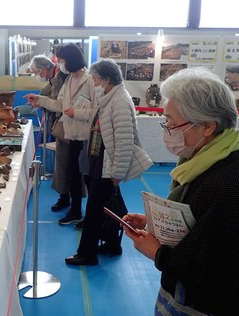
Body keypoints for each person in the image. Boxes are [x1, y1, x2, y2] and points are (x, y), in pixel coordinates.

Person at [123, 67, 239, 316]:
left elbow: (215, 270)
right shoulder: (208, 159)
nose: (167, 130)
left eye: (172, 123)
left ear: (208, 126)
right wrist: (157, 224)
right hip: (191, 301)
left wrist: (158, 252)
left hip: (209, 315)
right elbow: (200, 226)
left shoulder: (226, 182)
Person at [65, 59, 152, 266]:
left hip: (108, 166)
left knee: (95, 210)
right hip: (102, 163)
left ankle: (87, 253)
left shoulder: (120, 101)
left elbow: (124, 141)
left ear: (106, 79)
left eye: (95, 79)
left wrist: (117, 172)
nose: (94, 83)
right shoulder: (111, 97)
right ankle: (112, 243)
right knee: (108, 206)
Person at [25, 43, 96, 225]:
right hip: (70, 135)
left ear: (70, 60)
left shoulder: (90, 81)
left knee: (84, 177)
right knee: (72, 173)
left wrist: (76, 113)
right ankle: (75, 210)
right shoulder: (69, 80)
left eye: (61, 60)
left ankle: (83, 213)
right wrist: (39, 99)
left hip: (85, 138)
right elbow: (59, 105)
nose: (59, 63)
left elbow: (96, 111)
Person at [28, 54, 76, 212]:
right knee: (63, 165)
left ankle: (70, 203)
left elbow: (58, 104)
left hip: (67, 127)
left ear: (44, 69)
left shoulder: (61, 79)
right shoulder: (55, 79)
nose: (36, 76)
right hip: (61, 125)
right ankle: (65, 198)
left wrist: (42, 101)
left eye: (36, 72)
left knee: (68, 165)